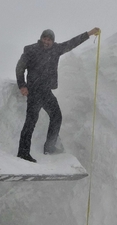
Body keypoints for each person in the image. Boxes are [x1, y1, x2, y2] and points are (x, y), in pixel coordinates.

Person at [15, 27, 101, 163]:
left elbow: (72, 43)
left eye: (49, 40)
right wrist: (22, 85)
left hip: (46, 91)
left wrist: (89, 34)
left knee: (56, 116)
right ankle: (23, 152)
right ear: (41, 38)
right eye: (45, 38)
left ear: (53, 41)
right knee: (31, 121)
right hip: (34, 90)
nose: (47, 42)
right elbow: (20, 67)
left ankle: (49, 147)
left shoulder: (56, 50)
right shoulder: (31, 50)